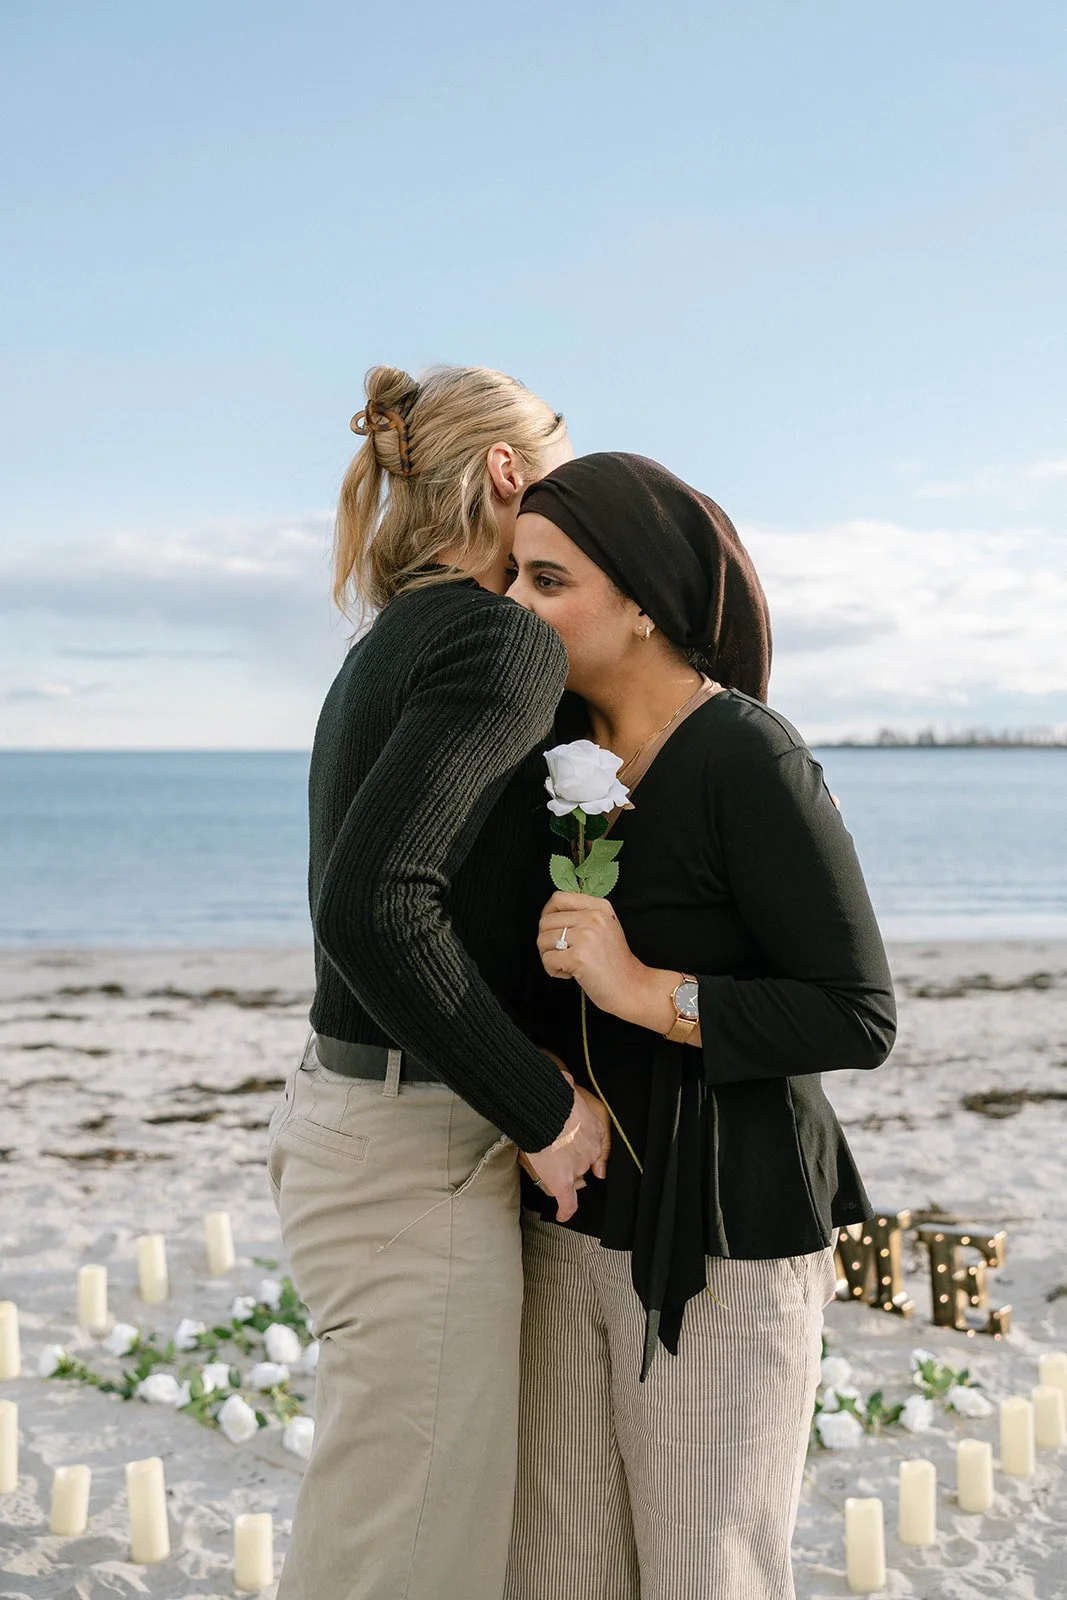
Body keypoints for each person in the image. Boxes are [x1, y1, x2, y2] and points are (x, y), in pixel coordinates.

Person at [504, 452, 897, 1600]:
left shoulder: (746, 754)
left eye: (546, 581)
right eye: (513, 577)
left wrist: (643, 991)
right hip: (564, 1214)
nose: (515, 606)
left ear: (639, 601)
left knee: (705, 1576)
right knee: (564, 1573)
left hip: (727, 1231)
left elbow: (856, 1012)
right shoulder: (548, 757)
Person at [267, 365, 611, 1600]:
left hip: (361, 1124)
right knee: (409, 1566)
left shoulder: (388, 643)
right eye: (560, 468)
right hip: (414, 1147)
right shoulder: (494, 635)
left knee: (387, 1537)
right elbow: (371, 901)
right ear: (510, 478)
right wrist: (543, 1105)